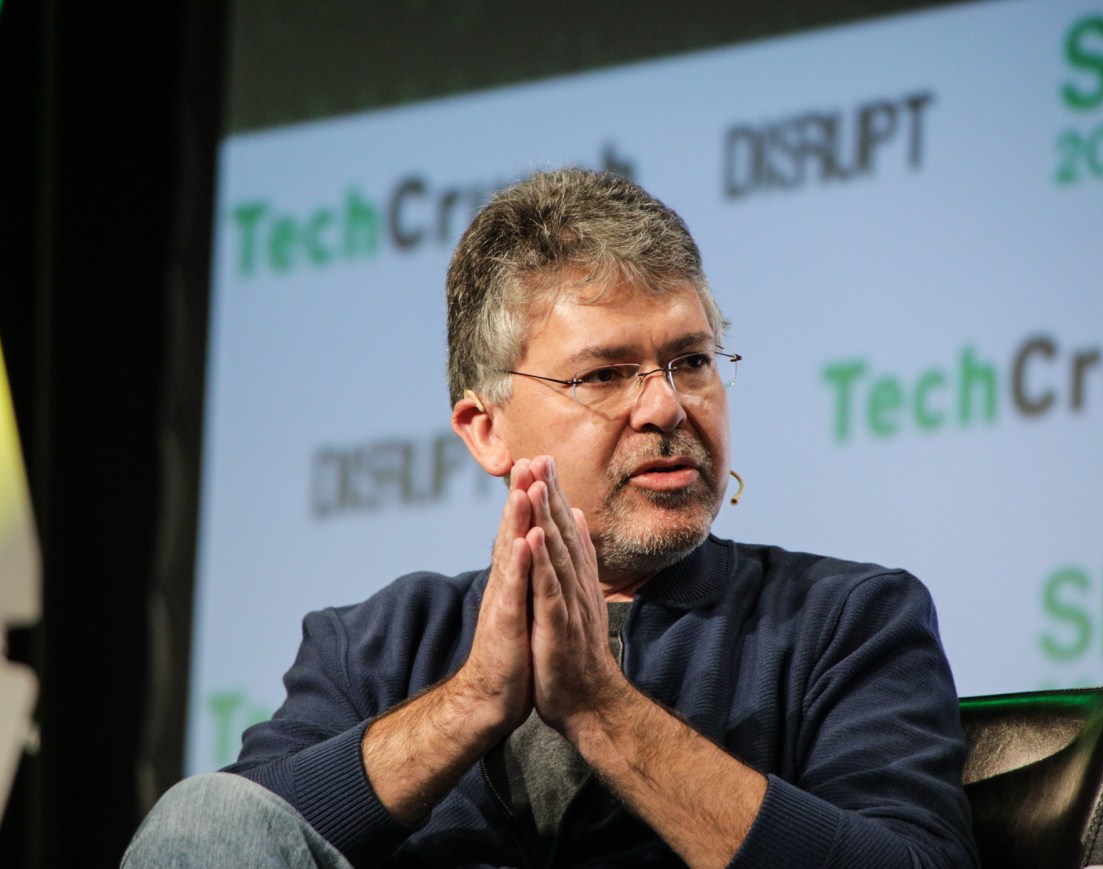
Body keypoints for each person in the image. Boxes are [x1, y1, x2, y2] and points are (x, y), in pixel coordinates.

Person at [124, 168, 977, 868]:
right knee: (204, 810)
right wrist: (472, 702)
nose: (666, 406)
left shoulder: (845, 621)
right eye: (604, 374)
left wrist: (601, 710)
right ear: (485, 429)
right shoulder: (376, 645)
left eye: (690, 361)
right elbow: (221, 841)